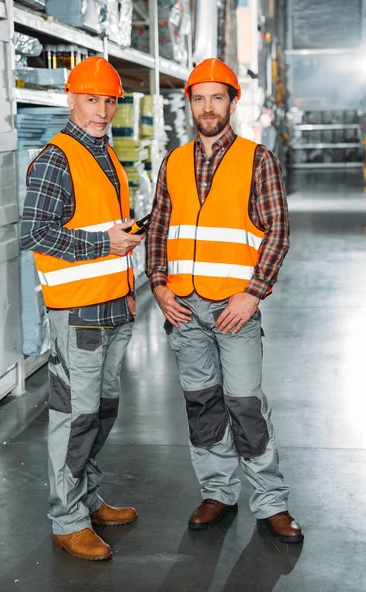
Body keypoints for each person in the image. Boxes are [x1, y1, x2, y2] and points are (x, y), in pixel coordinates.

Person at [146, 58, 303, 543]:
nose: (208, 107)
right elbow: (158, 228)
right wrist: (158, 284)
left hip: (235, 309)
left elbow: (277, 232)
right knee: (202, 404)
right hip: (184, 309)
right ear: (189, 103)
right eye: (199, 98)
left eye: (218, 97)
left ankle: (271, 502)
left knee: (245, 404)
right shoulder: (173, 161)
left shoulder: (258, 159)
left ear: (233, 102)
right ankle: (217, 492)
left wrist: (252, 295)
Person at [20, 56, 144, 561]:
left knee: (101, 411)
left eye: (109, 100)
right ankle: (66, 519)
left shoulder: (106, 155)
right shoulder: (56, 157)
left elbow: (106, 229)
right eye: (91, 99)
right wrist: (105, 248)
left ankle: (87, 498)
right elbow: (34, 233)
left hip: (113, 306)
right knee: (74, 416)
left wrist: (126, 274)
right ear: (70, 99)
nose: (101, 110)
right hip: (76, 314)